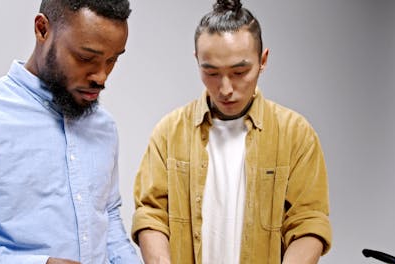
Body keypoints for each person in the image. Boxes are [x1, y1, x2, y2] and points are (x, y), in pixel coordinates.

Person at [0, 1, 141, 263]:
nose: (101, 76)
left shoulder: (104, 127)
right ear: (42, 29)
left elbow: (106, 217)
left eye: (112, 60)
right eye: (86, 58)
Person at [131, 0, 332, 263]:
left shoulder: (296, 135)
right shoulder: (169, 133)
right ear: (197, 61)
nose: (225, 88)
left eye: (240, 71)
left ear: (263, 61)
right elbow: (151, 213)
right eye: (211, 72)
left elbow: (308, 223)